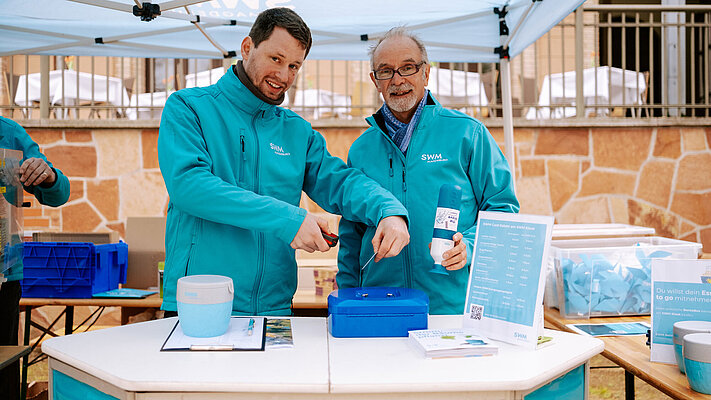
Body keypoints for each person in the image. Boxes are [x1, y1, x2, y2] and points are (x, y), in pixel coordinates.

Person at [158, 8, 410, 316]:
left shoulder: (296, 132)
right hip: (200, 306)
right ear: (248, 47)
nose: (284, 75)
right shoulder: (188, 108)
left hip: (273, 310)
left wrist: (389, 210)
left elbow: (341, 182)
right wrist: (290, 220)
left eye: (294, 66)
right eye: (276, 59)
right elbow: (190, 187)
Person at [337, 28, 519, 315]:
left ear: (426, 73)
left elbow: (503, 209)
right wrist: (346, 299)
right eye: (386, 71)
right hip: (380, 305)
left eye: (408, 67)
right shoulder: (361, 150)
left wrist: (469, 247)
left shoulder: (467, 134)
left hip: (451, 307)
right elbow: (351, 234)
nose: (398, 80)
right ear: (375, 81)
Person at [0, 116, 70, 400]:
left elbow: (59, 192)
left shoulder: (9, 134)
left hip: (4, 277)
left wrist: (48, 175)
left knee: (3, 369)